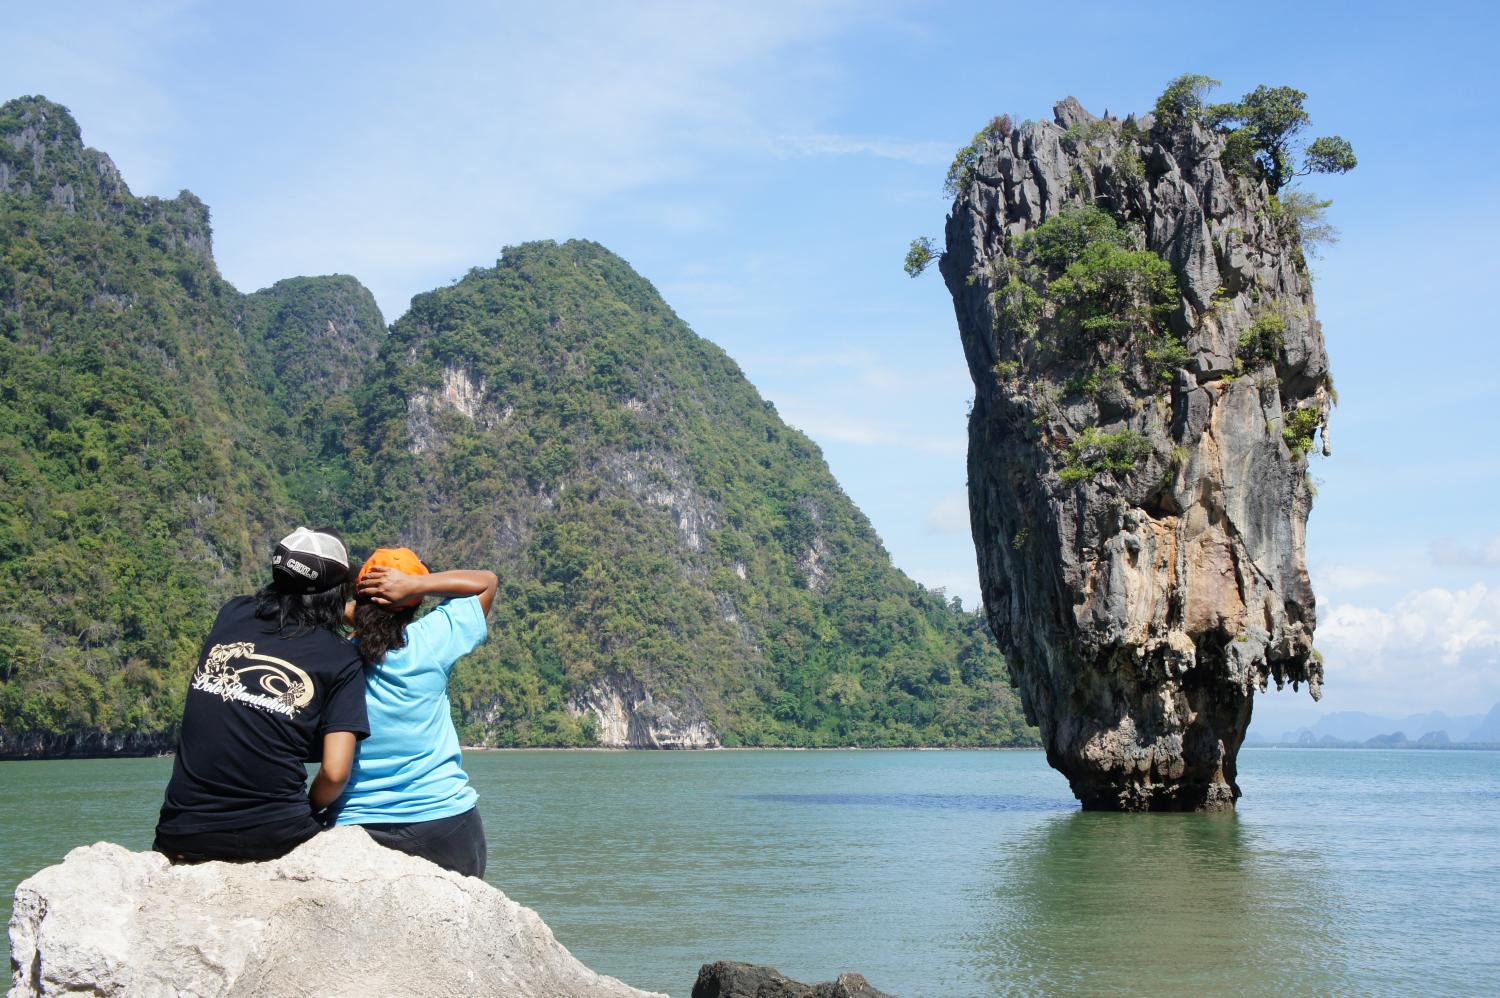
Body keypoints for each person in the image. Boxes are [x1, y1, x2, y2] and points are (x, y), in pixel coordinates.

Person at [154, 527, 369, 862]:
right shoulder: (341, 658)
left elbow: (290, 604)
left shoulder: (232, 613)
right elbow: (335, 772)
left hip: (183, 834)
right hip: (275, 836)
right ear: (339, 592)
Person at [333, 547, 497, 878]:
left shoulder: (334, 658)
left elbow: (317, 614)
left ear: (359, 597)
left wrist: (353, 614)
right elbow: (487, 582)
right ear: (414, 606)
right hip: (445, 823)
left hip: (357, 825)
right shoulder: (430, 642)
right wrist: (414, 585)